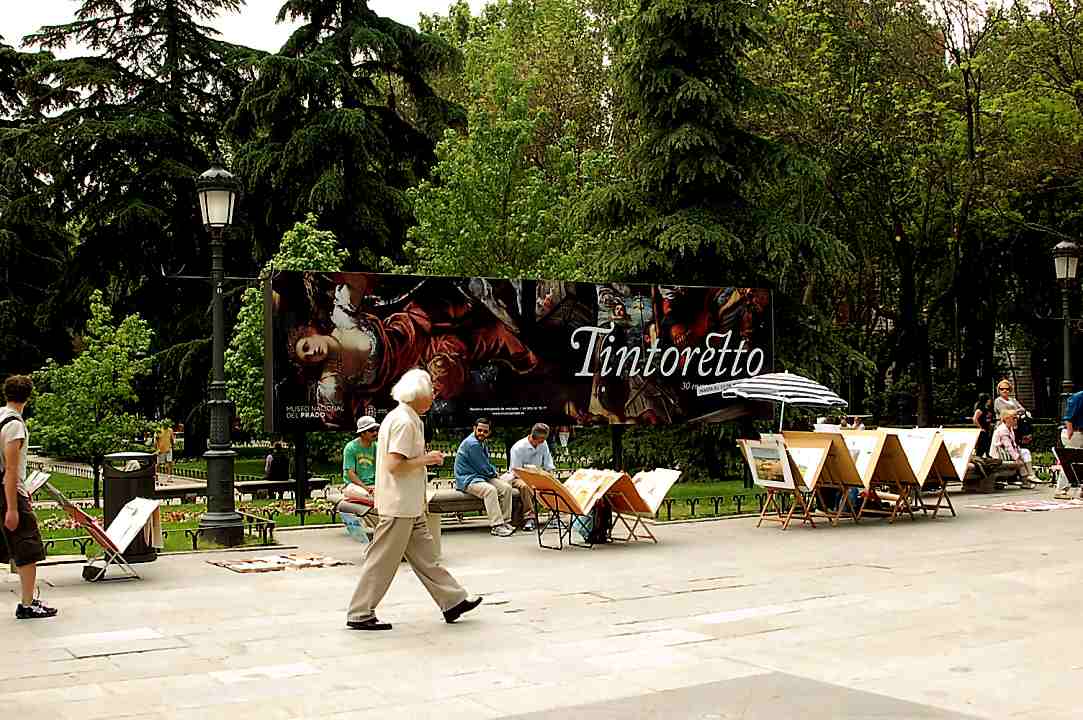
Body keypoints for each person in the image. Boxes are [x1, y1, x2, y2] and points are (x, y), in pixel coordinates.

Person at [346, 369, 481, 631]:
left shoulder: (405, 418)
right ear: (417, 395)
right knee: (383, 559)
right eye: (430, 393)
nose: (433, 397)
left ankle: (452, 600)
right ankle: (360, 612)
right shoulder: (405, 422)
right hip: (399, 505)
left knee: (426, 558)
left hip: (409, 504)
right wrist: (428, 460)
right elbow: (395, 464)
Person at [1, 375, 57, 619]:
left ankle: (29, 601)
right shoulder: (14, 425)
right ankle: (27, 603)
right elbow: (11, 469)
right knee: (28, 546)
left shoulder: (0, 415)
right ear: (29, 397)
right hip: (8, 492)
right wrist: (13, 507)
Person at [453, 418, 515, 537]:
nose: (482, 433)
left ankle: (505, 521)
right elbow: (483, 467)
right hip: (468, 479)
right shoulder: (472, 444)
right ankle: (496, 526)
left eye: (485, 431)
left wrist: (493, 474)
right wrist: (495, 474)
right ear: (474, 429)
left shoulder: (482, 442)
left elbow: (485, 464)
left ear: (489, 432)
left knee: (506, 488)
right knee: (490, 490)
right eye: (479, 430)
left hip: (481, 476)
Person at [502, 423, 555, 531]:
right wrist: (532, 477)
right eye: (542, 439)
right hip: (518, 478)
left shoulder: (543, 444)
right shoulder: (518, 448)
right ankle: (529, 517)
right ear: (536, 437)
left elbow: (548, 464)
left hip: (537, 475)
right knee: (525, 486)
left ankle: (553, 515)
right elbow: (516, 471)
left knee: (552, 482)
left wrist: (549, 474)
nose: (544, 441)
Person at [991, 409, 1038, 488]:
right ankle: (1026, 480)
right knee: (1020, 460)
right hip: (1000, 454)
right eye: (1014, 418)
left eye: (1016, 418)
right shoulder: (1003, 430)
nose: (1016, 420)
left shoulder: (1010, 428)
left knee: (1025, 452)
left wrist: (1018, 452)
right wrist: (1017, 457)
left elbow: (1013, 444)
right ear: (1006, 419)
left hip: (1006, 452)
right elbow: (1008, 446)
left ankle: (1030, 474)